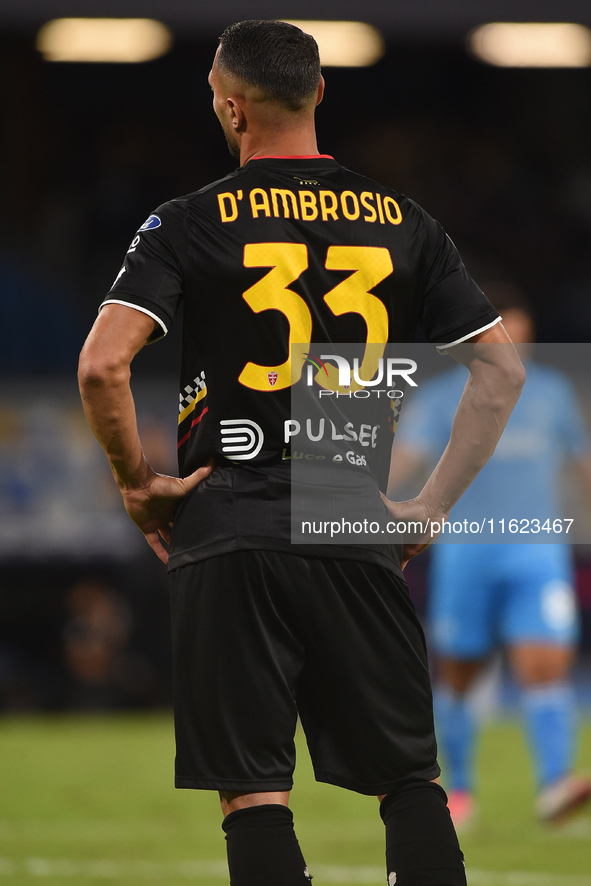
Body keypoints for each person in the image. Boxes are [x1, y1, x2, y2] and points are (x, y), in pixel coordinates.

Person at [78, 20, 524, 886]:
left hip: (228, 513)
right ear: (321, 92)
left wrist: (138, 483)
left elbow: (103, 364)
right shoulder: (404, 222)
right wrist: (428, 506)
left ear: (231, 110)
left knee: (253, 792)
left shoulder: (186, 221)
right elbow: (499, 370)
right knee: (408, 779)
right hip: (348, 505)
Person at [388, 284, 591, 828]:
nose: (511, 345)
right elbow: (402, 463)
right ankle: (459, 790)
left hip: (537, 553)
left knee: (546, 666)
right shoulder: (440, 397)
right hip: (466, 556)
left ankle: (554, 785)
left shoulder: (551, 394)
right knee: (459, 677)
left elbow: (581, 464)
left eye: (520, 334)